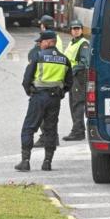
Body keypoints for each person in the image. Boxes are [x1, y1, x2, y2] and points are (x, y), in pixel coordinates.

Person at [15, 30, 72, 172]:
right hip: (54, 99)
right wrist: (61, 93)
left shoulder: (38, 56)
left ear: (49, 42)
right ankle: (47, 162)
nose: (40, 44)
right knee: (51, 130)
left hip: (39, 97)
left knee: (29, 127)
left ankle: (25, 161)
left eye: (41, 42)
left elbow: (26, 80)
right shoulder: (64, 59)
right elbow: (69, 83)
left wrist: (31, 92)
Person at [30, 14, 64, 148]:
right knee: (51, 114)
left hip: (46, 81)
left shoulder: (47, 41)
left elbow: (36, 58)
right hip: (56, 81)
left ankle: (48, 137)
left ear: (43, 26)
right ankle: (51, 137)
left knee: (45, 113)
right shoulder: (57, 39)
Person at [62, 20, 90, 141]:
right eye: (74, 28)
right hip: (72, 78)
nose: (76, 30)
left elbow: (84, 63)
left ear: (81, 30)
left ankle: (78, 132)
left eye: (78, 28)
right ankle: (78, 129)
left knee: (77, 104)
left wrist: (71, 71)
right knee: (73, 103)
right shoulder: (72, 43)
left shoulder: (83, 44)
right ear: (71, 30)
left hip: (79, 77)